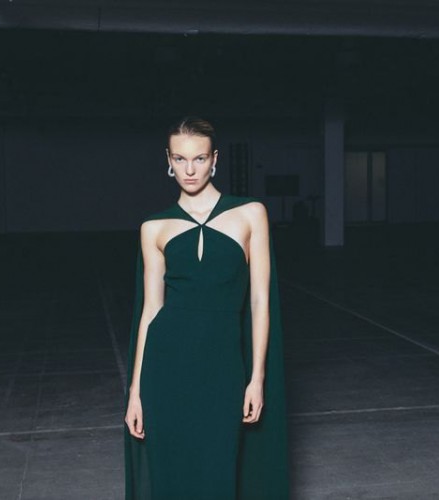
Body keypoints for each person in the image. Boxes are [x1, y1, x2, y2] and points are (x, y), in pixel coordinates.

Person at [123, 117, 289, 499]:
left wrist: (257, 377)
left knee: (218, 472)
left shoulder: (250, 213)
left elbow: (260, 300)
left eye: (199, 158)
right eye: (180, 159)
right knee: (172, 476)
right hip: (166, 370)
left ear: (215, 159)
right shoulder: (153, 227)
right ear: (168, 160)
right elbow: (150, 311)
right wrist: (135, 391)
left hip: (223, 367)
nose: (190, 169)